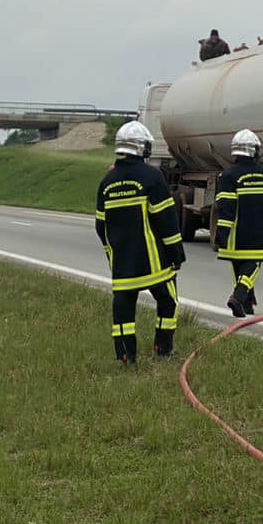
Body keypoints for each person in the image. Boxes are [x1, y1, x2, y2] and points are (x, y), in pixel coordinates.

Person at [95, 121, 185, 363]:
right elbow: (167, 221)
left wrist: (112, 255)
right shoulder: (152, 177)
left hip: (123, 265)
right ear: (140, 147)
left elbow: (100, 226)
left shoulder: (107, 181)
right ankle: (163, 350)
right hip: (154, 264)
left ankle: (125, 355)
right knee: (168, 302)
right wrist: (176, 254)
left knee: (123, 309)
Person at [214, 129, 263, 318]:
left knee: (238, 266)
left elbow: (225, 207)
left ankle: (247, 304)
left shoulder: (228, 176)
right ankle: (238, 297)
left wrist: (222, 233)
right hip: (256, 231)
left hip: (235, 233)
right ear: (254, 150)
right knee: (253, 265)